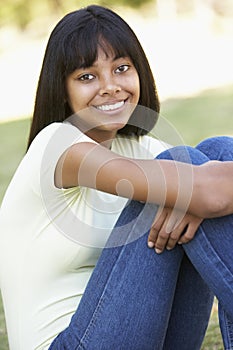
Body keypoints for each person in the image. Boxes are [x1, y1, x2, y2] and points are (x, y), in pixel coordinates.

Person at [0, 4, 233, 349]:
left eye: (122, 68)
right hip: (69, 344)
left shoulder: (139, 148)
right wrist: (197, 191)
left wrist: (199, 188)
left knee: (215, 153)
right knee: (186, 178)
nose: (110, 87)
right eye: (87, 77)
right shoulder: (57, 146)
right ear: (62, 89)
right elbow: (209, 194)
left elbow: (211, 189)